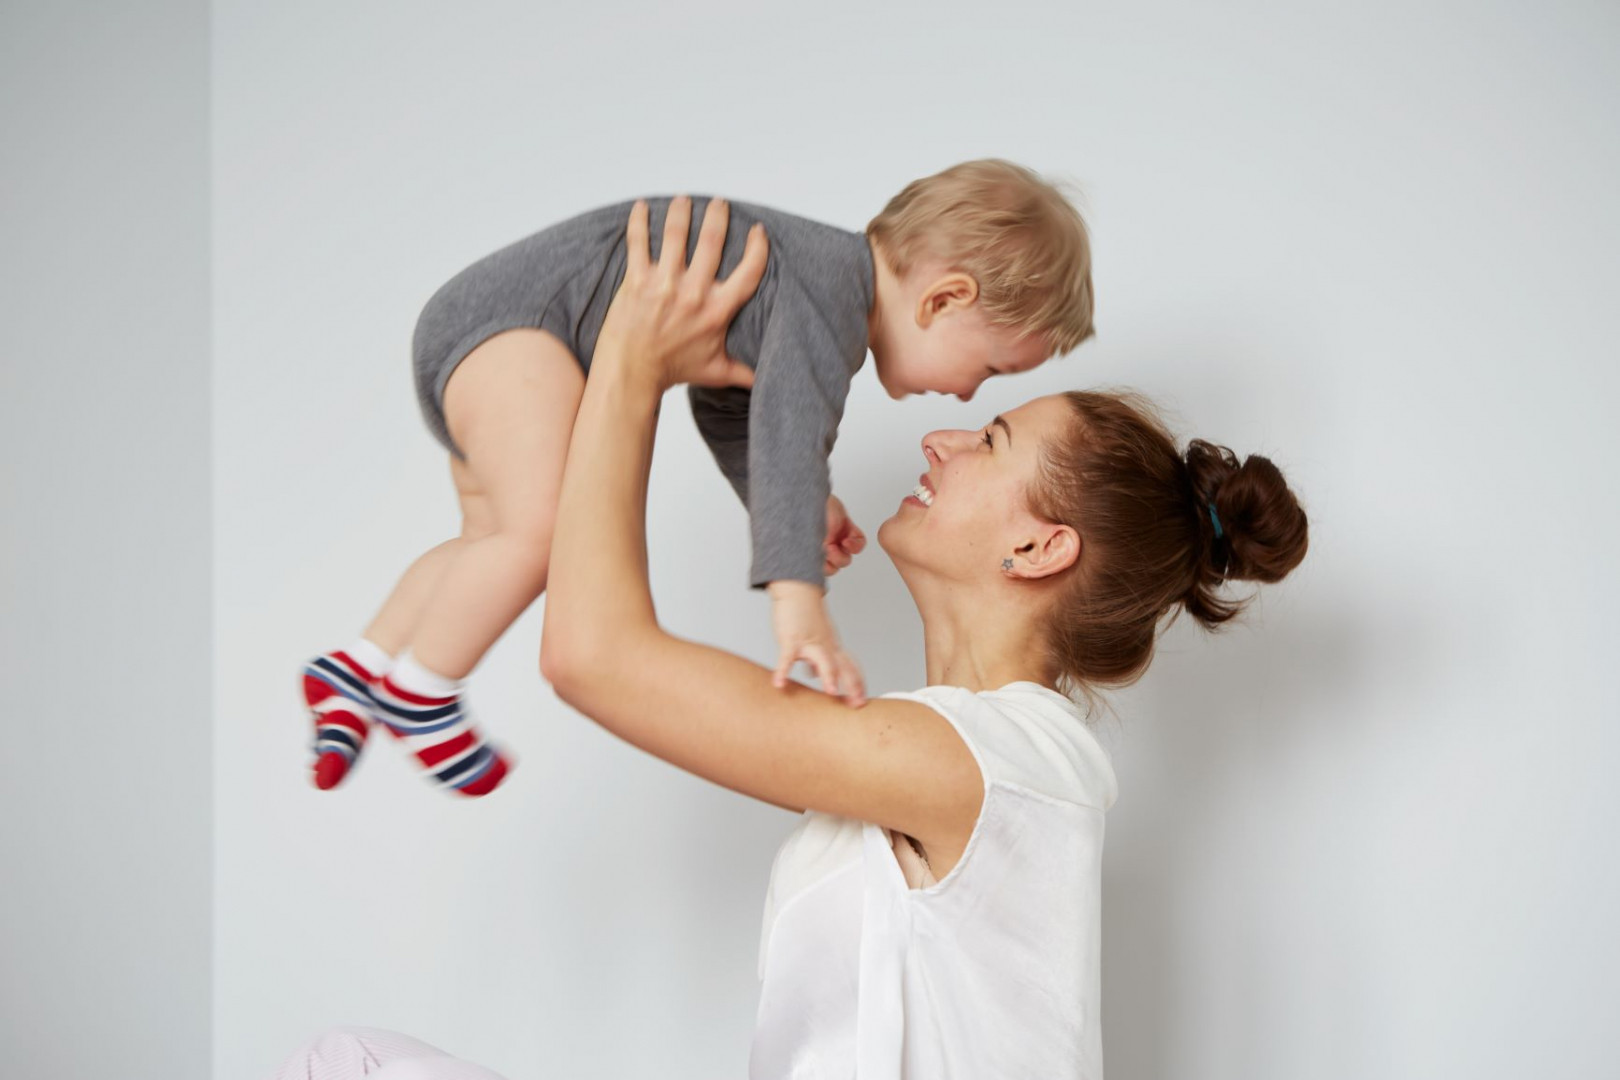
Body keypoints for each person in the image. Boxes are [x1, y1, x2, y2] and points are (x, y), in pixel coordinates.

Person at [270, 201, 1305, 1079]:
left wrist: (632, 355)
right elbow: (603, 654)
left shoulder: (1003, 765)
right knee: (359, 1059)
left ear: (1040, 546)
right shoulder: (919, 754)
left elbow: (594, 655)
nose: (945, 434)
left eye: (992, 439)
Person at [298, 161, 1096, 797]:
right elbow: (788, 428)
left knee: (490, 539)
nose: (967, 395)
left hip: (485, 330)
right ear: (944, 297)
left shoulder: (805, 283)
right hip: (517, 332)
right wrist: (798, 598)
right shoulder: (828, 300)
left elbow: (729, 407)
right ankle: (422, 691)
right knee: (541, 535)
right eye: (988, 369)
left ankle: (362, 664)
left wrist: (785, 503)